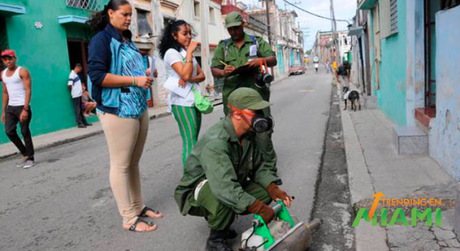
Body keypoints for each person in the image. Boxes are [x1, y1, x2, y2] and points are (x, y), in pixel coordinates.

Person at [175, 88, 293, 251]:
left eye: (261, 111)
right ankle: (215, 240)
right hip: (198, 189)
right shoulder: (216, 142)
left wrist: (273, 189)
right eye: (255, 112)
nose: (260, 117)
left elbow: (259, 167)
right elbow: (225, 188)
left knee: (264, 193)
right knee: (225, 197)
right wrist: (259, 208)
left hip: (225, 181)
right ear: (237, 114)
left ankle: (224, 220)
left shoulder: (247, 135)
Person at [87, 0, 163, 233]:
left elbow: (129, 69)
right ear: (110, 13)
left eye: (131, 14)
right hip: (117, 109)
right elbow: (98, 75)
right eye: (124, 14)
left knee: (133, 163)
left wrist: (145, 74)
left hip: (138, 106)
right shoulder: (101, 40)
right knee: (120, 165)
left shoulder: (126, 38)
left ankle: (138, 207)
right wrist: (135, 80)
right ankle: (129, 218)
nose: (129, 18)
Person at [211, 11, 277, 170]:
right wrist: (223, 72)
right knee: (235, 134)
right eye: (230, 29)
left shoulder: (257, 41)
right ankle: (243, 170)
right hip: (233, 98)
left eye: (236, 28)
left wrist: (260, 61)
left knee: (262, 131)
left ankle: (269, 171)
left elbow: (273, 59)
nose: (233, 32)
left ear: (243, 25)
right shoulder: (223, 47)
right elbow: (214, 69)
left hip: (256, 96)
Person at [158, 20, 205, 168]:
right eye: (184, 33)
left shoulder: (184, 52)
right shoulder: (172, 53)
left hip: (194, 100)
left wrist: (190, 77)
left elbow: (201, 75)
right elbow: (184, 74)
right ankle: (190, 181)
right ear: (174, 35)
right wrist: (190, 53)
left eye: (190, 33)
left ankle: (196, 176)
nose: (189, 37)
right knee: (190, 142)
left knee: (195, 141)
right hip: (182, 102)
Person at [0, 49, 35, 169]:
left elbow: (28, 90)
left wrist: (25, 109)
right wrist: (3, 111)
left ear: (15, 58)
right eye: (5, 59)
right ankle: (25, 153)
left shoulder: (22, 71)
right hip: (11, 107)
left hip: (22, 106)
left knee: (25, 132)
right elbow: (5, 93)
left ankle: (30, 158)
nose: (8, 61)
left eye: (10, 58)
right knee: (9, 131)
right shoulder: (3, 74)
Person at [68, 63, 91, 128]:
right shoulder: (72, 74)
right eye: (80, 69)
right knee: (77, 109)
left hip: (78, 94)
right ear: (78, 67)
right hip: (75, 95)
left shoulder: (75, 75)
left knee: (80, 109)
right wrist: (73, 92)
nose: (80, 70)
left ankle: (84, 122)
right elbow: (69, 85)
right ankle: (79, 123)